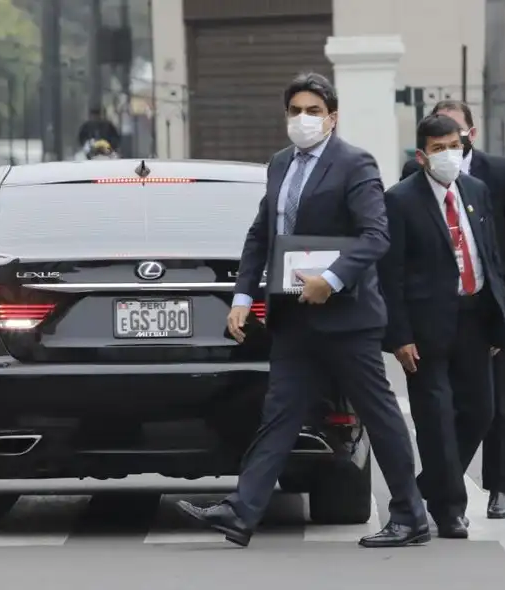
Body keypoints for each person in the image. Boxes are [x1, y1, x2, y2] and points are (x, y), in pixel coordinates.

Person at [174, 72, 429, 549]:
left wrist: (330, 280)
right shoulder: (279, 165)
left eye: (313, 111)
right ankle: (241, 511)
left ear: (332, 118)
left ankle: (410, 515)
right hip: (292, 319)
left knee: (378, 414)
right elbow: (260, 234)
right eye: (295, 111)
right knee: (279, 415)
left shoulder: (355, 164)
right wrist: (243, 297)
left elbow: (375, 237)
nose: (303, 119)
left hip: (347, 319)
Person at [400, 100, 505, 519]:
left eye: (456, 137)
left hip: (491, 306)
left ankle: (498, 487)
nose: (448, 148)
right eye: (439, 141)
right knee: (443, 407)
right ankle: (444, 495)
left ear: (470, 135)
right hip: (437, 310)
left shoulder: (496, 174)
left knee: (494, 403)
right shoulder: (414, 180)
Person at [379, 113, 505, 539]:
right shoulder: (400, 200)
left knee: (479, 412)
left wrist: (497, 321)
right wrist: (398, 335)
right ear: (422, 156)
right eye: (438, 149)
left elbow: (488, 257)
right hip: (426, 327)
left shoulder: (475, 191)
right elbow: (390, 274)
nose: (449, 155)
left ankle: (427, 489)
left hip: (474, 319)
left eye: (455, 146)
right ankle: (450, 508)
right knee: (435, 417)